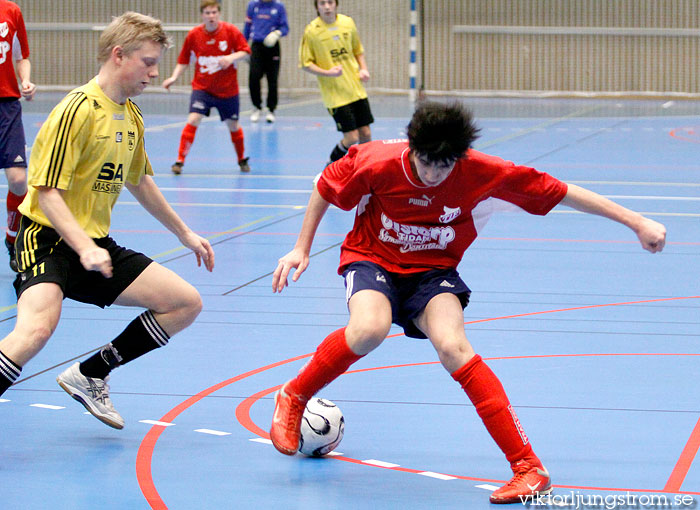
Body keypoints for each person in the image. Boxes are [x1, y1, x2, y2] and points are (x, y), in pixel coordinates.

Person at [269, 101, 666, 503]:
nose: (432, 175)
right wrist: (301, 248)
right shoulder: (376, 160)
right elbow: (324, 186)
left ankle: (529, 468)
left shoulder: (482, 171)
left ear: (459, 158)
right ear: (412, 148)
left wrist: (636, 221)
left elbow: (559, 191)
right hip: (373, 258)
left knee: (454, 347)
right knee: (371, 328)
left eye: (443, 167)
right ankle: (295, 394)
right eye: (425, 163)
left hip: (433, 272)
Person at [0, 12, 215, 430]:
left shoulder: (130, 116)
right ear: (119, 55)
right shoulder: (77, 110)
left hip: (95, 246)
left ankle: (92, 372)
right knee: (36, 330)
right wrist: (83, 248)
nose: (155, 72)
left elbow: (141, 181)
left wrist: (185, 233)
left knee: (185, 303)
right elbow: (46, 191)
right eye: (148, 62)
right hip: (46, 240)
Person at [163, 0, 252, 174]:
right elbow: (183, 60)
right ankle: (179, 161)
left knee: (233, 125)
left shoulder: (231, 31)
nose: (211, 16)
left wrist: (231, 58)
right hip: (202, 89)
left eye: (214, 13)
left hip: (227, 90)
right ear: (202, 15)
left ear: (218, 14)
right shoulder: (194, 35)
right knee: (193, 119)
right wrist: (173, 77)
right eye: (207, 13)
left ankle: (241, 159)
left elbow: (246, 52)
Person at [300, 0, 373, 166]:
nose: (327, 6)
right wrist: (327, 73)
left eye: (330, 2)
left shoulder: (347, 23)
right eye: (322, 3)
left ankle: (365, 168)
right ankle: (330, 166)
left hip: (356, 89)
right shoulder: (312, 31)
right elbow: (305, 63)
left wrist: (364, 69)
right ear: (317, 7)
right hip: (335, 95)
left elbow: (358, 51)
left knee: (366, 133)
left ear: (336, 4)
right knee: (351, 137)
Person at [0, 0, 36, 271]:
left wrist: (25, 80)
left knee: (18, 179)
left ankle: (14, 239)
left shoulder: (11, 10)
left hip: (7, 105)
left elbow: (21, 55)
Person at [244, 0, 289, 124]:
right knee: (254, 76)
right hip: (257, 46)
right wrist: (242, 46)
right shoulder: (253, 5)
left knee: (272, 80)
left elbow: (285, 27)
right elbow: (247, 27)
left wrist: (277, 33)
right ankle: (256, 107)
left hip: (272, 46)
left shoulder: (279, 6)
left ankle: (271, 110)